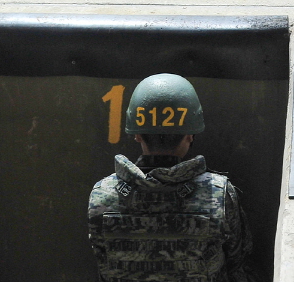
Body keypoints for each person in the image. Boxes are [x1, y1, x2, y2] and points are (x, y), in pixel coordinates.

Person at [88, 73, 258, 282]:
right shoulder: (218, 192)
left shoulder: (102, 194)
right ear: (190, 135)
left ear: (137, 135)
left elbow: (102, 263)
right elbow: (238, 261)